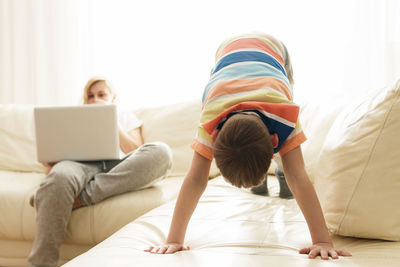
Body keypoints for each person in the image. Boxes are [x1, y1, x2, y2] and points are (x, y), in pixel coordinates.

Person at [145, 34, 352, 260]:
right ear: (215, 139)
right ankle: (260, 166)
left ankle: (279, 168)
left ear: (276, 142)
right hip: (225, 53)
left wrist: (321, 240)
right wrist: (174, 239)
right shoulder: (210, 119)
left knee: (290, 165)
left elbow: (298, 176)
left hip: (274, 50)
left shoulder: (285, 115)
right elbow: (195, 180)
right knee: (257, 149)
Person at [28, 77, 173, 267]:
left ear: (113, 97)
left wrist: (109, 119)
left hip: (118, 165)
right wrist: (53, 161)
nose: (95, 98)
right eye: (90, 96)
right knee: (59, 177)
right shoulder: (72, 118)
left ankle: (69, 198)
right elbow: (50, 170)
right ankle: (41, 263)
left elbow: (134, 149)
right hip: (77, 164)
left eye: (101, 94)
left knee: (161, 152)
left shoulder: (125, 116)